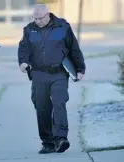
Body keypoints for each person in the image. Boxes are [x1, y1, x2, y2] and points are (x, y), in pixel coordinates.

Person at [18, 4, 86, 154]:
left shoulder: (63, 26)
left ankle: (61, 138)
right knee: (42, 107)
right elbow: (23, 49)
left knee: (59, 103)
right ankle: (48, 142)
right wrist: (22, 62)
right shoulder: (29, 29)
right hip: (38, 74)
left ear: (48, 14)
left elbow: (74, 48)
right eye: (34, 18)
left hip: (59, 73)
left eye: (40, 18)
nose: (37, 21)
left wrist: (80, 68)